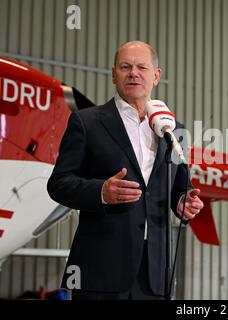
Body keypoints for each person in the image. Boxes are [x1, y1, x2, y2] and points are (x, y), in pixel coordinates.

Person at [47, 41, 203, 300]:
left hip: (155, 274)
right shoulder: (87, 122)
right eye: (125, 66)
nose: (134, 73)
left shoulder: (175, 130)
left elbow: (180, 187)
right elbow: (59, 183)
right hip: (100, 269)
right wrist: (101, 191)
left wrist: (183, 201)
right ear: (113, 74)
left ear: (156, 75)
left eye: (142, 67)